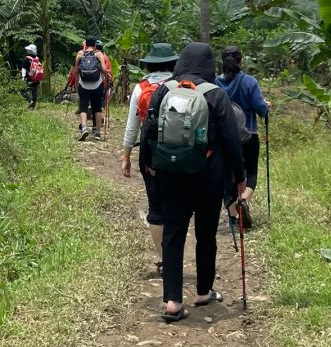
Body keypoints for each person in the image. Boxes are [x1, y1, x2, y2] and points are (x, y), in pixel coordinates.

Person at [141, 41, 246, 322]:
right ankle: (203, 291)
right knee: (206, 234)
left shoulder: (164, 90)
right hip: (207, 177)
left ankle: (173, 301)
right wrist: (239, 176)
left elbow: (149, 129)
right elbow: (232, 141)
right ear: (210, 65)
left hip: (170, 175)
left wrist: (147, 164)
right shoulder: (216, 95)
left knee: (174, 234)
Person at [121, 43, 178, 275]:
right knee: (176, 205)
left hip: (150, 151)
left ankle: (164, 259)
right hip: (179, 151)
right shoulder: (181, 84)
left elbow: (132, 126)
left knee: (155, 205)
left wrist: (126, 155)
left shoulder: (141, 87)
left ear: (150, 63)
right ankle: (176, 255)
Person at [216, 47, 270, 228]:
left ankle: (233, 215)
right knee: (251, 171)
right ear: (241, 61)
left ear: (222, 62)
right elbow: (261, 109)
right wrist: (266, 106)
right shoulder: (249, 82)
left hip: (223, 137)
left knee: (229, 173)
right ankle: (244, 199)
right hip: (248, 135)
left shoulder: (216, 83)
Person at [73, 36, 107, 140]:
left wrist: (76, 84)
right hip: (97, 85)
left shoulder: (80, 54)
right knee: (97, 108)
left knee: (83, 107)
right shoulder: (99, 54)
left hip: (83, 85)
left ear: (86, 44)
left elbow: (76, 70)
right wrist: (107, 76)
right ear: (95, 44)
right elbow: (104, 69)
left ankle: (84, 128)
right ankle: (97, 132)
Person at [20, 42, 43, 109]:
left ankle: (30, 101)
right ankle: (33, 106)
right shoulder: (37, 59)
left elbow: (23, 68)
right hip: (36, 78)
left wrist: (23, 77)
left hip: (28, 78)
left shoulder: (27, 59)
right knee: (34, 92)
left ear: (30, 51)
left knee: (22, 91)